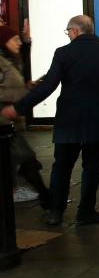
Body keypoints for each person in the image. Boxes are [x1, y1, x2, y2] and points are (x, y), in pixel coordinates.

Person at [2, 15, 99, 226]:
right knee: (92, 166)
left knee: (62, 166)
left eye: (68, 32)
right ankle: (86, 212)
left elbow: (48, 86)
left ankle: (55, 212)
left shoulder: (64, 53)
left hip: (69, 119)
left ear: (74, 31)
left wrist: (19, 108)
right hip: (98, 117)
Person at [0, 24, 50, 207]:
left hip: (10, 123)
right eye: (15, 40)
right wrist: (18, 96)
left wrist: (27, 87)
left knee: (25, 161)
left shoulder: (9, 60)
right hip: (3, 123)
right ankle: (46, 198)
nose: (18, 43)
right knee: (26, 161)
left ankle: (45, 198)